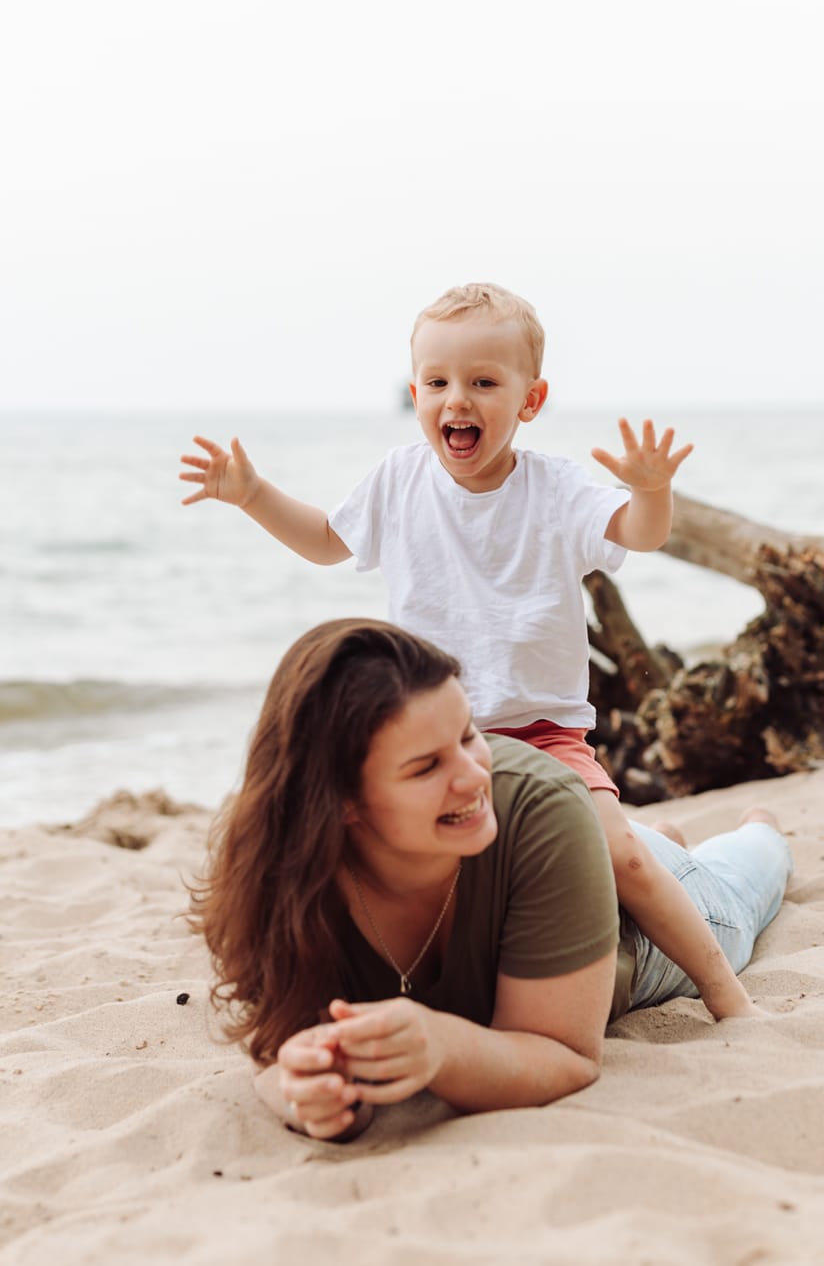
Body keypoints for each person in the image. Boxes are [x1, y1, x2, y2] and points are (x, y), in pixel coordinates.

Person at [178, 281, 752, 1019]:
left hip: (541, 733)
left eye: (483, 382)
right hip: (435, 736)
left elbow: (638, 534)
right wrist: (253, 493)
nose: (457, 399)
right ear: (414, 392)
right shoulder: (398, 480)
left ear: (529, 400)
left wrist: (651, 491)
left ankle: (727, 996)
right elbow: (325, 542)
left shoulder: (555, 488)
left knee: (624, 858)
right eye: (437, 383)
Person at [189, 618, 792, 1142]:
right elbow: (274, 1054)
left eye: (468, 735)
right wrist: (307, 1092)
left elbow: (567, 1057)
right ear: (339, 801)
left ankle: (756, 829)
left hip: (633, 926)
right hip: (569, 855)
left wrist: (442, 1045)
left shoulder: (540, 803)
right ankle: (657, 839)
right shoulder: (277, 869)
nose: (474, 776)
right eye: (426, 766)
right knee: (619, 845)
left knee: (743, 891)